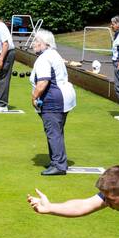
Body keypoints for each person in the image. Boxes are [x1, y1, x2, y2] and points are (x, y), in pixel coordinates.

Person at [29, 30, 76, 176]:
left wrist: (34, 97)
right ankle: (57, 161)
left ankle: (59, 165)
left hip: (54, 99)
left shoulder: (44, 58)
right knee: (56, 131)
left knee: (53, 132)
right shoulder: (54, 54)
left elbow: (43, 81)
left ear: (46, 44)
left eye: (37, 41)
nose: (33, 44)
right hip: (64, 97)